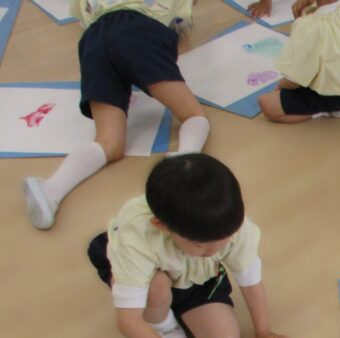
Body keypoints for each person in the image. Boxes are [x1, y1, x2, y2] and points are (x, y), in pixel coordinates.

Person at [87, 154, 290, 338]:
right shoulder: (136, 237)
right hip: (154, 274)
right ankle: (164, 325)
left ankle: (174, 301)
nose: (215, 250)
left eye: (224, 241)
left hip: (197, 276)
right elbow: (128, 321)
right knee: (156, 288)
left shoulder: (228, 223)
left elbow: (249, 280)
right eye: (201, 244)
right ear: (161, 226)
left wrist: (263, 330)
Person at [22, 0, 210, 230]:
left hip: (93, 40)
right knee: (193, 115)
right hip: (138, 30)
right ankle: (186, 163)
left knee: (109, 143)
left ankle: (51, 189)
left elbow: (82, 18)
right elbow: (184, 22)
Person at [248, 0, 340, 123]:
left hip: (333, 94)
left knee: (266, 104)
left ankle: (327, 110)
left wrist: (279, 86)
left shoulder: (309, 26)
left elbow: (295, 80)